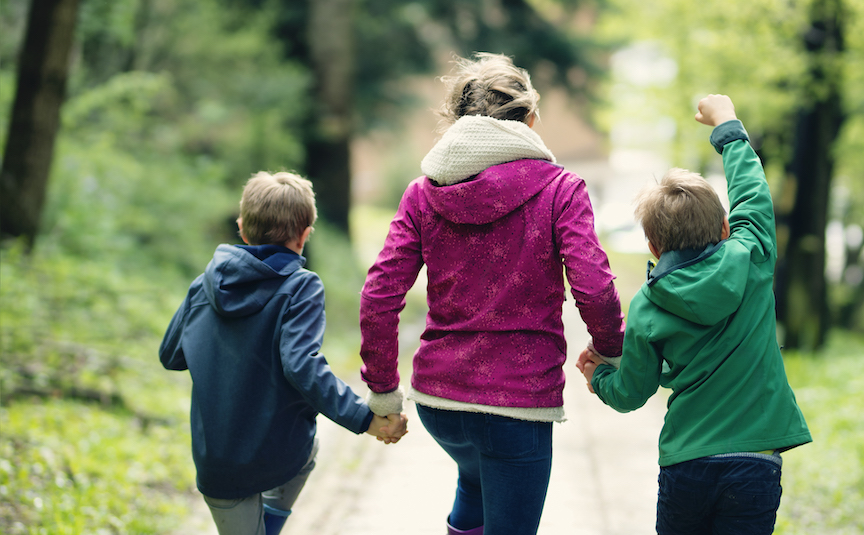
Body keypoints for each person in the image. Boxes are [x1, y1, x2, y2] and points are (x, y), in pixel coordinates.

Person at [359, 52, 625, 535]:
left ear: (457, 119)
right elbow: (594, 285)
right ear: (528, 118)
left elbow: (380, 293)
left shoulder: (423, 193)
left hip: (441, 403)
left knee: (476, 482)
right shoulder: (561, 189)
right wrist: (609, 349)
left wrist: (382, 392)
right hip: (518, 403)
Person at [577, 94, 812, 535]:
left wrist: (599, 378)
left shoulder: (649, 303)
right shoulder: (753, 256)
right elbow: (752, 191)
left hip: (687, 463)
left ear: (653, 247)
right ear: (725, 228)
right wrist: (727, 125)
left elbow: (631, 393)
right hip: (754, 462)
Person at [159, 171, 408, 535]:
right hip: (279, 451)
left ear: (242, 228)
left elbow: (171, 355)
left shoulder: (205, 283)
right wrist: (365, 419)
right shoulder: (300, 286)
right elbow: (301, 365)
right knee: (306, 451)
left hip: (219, 462)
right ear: (305, 235)